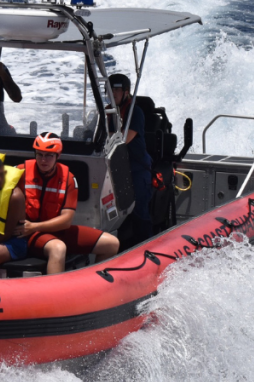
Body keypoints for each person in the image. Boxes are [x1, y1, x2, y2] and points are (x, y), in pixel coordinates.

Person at [16, 132, 119, 273]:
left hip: (47, 229)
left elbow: (66, 221)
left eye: (49, 155)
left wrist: (35, 226)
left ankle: (91, 285)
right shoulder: (19, 172)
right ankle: (54, 294)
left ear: (57, 156)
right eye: (39, 154)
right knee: (58, 248)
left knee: (111, 243)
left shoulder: (68, 179)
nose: (43, 160)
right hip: (28, 233)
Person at [108, 73, 154, 250]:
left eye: (117, 89)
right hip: (113, 169)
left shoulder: (135, 112)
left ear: (126, 92)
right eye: (110, 90)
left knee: (139, 211)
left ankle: (147, 247)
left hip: (136, 168)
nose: (113, 93)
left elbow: (123, 139)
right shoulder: (105, 112)